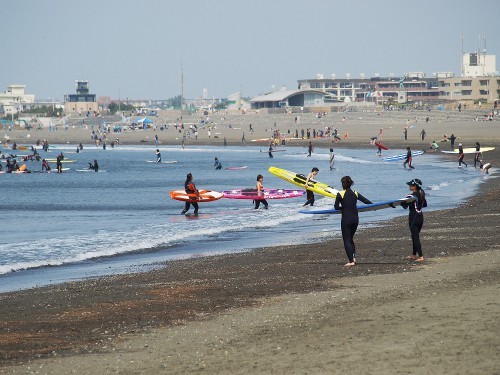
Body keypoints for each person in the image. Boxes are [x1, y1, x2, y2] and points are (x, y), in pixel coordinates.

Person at [334, 176, 372, 267]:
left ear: (343, 184)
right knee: (350, 239)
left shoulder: (340, 194)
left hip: (346, 219)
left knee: (346, 240)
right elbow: (367, 202)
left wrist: (342, 208)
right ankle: (353, 258)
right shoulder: (355, 193)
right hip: (355, 219)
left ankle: (351, 261)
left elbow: (336, 207)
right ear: (351, 184)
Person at [401, 178, 427, 262]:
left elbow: (404, 206)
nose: (409, 186)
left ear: (414, 186)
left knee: (415, 237)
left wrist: (405, 203)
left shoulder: (411, 196)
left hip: (413, 218)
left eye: (410, 185)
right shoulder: (422, 194)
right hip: (420, 217)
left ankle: (421, 256)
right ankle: (413, 254)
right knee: (414, 236)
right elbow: (425, 204)